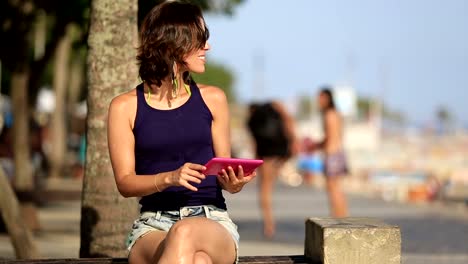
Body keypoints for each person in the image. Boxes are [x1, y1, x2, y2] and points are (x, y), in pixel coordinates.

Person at [107, 2, 256, 263]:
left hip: (211, 220)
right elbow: (125, 183)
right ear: (173, 44)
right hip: (153, 226)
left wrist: (234, 184)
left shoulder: (214, 99)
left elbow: (225, 176)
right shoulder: (124, 107)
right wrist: (170, 178)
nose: (207, 47)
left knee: (184, 231)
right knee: (198, 261)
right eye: (201, 40)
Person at [247, 101, 297, 238]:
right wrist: (293, 140)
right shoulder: (273, 105)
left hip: (266, 155)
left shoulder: (251, 121)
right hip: (280, 152)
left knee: (265, 189)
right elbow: (288, 118)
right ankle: (269, 223)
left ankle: (269, 223)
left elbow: (255, 145)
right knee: (269, 185)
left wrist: (254, 165)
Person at [315, 88, 348, 217]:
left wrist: (315, 145)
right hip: (339, 152)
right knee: (337, 188)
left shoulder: (328, 114)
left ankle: (337, 216)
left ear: (327, 98)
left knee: (332, 188)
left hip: (332, 154)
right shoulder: (336, 113)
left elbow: (328, 138)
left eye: (320, 98)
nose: (318, 101)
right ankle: (342, 215)